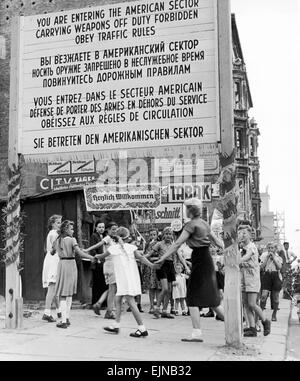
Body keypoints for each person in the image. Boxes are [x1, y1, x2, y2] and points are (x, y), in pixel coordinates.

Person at [155, 198, 224, 343]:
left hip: (199, 258)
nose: (185, 211)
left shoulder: (191, 225)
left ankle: (196, 332)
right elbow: (217, 242)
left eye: (187, 208)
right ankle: (233, 323)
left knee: (192, 295)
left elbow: (177, 244)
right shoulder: (204, 223)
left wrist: (163, 258)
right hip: (207, 259)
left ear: (190, 211)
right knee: (210, 295)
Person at [95, 227, 157, 337]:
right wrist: (152, 265)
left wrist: (95, 256)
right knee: (118, 299)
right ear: (127, 237)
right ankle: (116, 325)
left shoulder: (113, 248)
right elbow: (142, 258)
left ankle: (142, 328)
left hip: (124, 279)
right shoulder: (131, 248)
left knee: (131, 303)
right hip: (130, 278)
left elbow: (101, 256)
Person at [54, 220, 96, 328]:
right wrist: (92, 257)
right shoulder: (72, 240)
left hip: (62, 264)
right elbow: (79, 253)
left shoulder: (57, 240)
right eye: (71, 229)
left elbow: (51, 252)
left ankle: (64, 319)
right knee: (68, 293)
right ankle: (65, 319)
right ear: (66, 229)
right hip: (71, 264)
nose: (73, 231)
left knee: (63, 293)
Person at [239, 225, 271, 337]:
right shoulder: (241, 247)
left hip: (252, 279)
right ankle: (251, 328)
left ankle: (265, 321)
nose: (242, 235)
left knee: (252, 303)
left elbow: (245, 258)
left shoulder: (251, 247)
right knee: (246, 304)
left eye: (244, 233)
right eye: (240, 233)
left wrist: (236, 260)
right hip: (243, 278)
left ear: (250, 235)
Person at [85, 222, 118, 319]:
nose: (115, 231)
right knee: (112, 289)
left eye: (116, 229)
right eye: (113, 229)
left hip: (110, 265)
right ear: (108, 230)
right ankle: (108, 310)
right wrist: (87, 249)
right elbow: (98, 244)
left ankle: (100, 304)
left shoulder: (114, 239)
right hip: (110, 265)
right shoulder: (107, 238)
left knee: (111, 288)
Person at [148, 227, 178, 319]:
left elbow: (175, 257)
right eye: (166, 234)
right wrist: (144, 258)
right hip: (162, 266)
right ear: (163, 235)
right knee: (164, 288)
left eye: (170, 234)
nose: (168, 236)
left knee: (169, 290)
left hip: (171, 266)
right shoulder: (159, 244)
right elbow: (149, 255)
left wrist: (176, 267)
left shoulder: (173, 245)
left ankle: (165, 311)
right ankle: (157, 309)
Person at [42, 214, 62, 323]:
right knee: (52, 286)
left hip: (51, 258)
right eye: (58, 222)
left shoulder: (52, 234)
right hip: (53, 259)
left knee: (54, 287)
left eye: (60, 222)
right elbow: (56, 248)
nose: (60, 225)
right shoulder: (54, 234)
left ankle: (58, 310)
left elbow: (47, 249)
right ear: (52, 224)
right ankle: (47, 312)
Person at [89, 221, 108, 316]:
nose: (101, 229)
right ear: (96, 228)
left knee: (103, 283)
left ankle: (103, 303)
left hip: (104, 263)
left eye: (103, 227)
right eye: (99, 227)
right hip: (97, 263)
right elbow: (92, 249)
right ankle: (95, 302)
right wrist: (97, 258)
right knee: (97, 284)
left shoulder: (104, 237)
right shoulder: (94, 236)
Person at [260, 242, 283, 322]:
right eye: (269, 248)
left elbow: (279, 267)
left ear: (275, 249)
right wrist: (266, 258)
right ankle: (261, 313)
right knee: (263, 297)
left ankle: (274, 314)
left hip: (275, 276)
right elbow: (261, 267)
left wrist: (274, 258)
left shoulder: (278, 257)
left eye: (272, 248)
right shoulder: (263, 256)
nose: (270, 249)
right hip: (266, 276)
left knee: (275, 298)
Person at [142, 229, 161, 314]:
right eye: (151, 234)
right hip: (149, 267)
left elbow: (161, 255)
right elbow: (145, 255)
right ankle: (151, 306)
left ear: (157, 235)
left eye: (154, 234)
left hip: (157, 266)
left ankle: (157, 306)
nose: (152, 236)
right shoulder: (147, 244)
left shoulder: (159, 244)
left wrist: (154, 259)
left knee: (158, 287)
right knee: (151, 287)